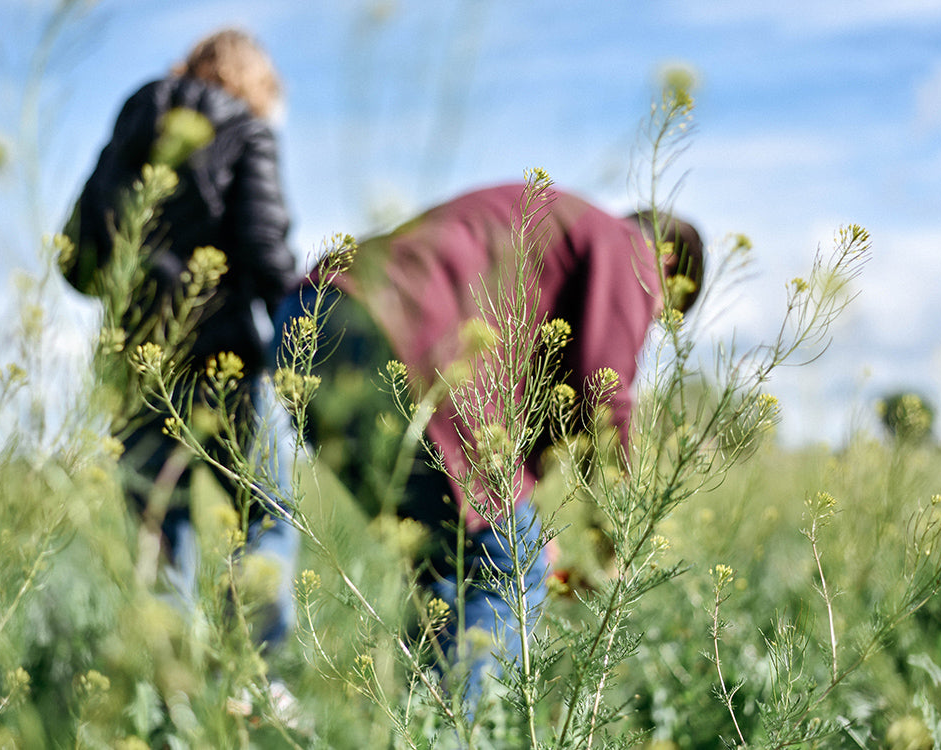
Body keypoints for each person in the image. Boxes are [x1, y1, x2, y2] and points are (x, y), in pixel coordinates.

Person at [273, 180, 704, 708]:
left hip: (306, 325)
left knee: (447, 569)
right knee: (510, 574)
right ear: (667, 263)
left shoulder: (566, 229)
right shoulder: (629, 248)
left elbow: (541, 399)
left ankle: (415, 726)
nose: (648, 326)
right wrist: (611, 542)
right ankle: (450, 733)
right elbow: (602, 394)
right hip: (398, 340)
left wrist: (521, 518)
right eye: (661, 312)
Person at [61, 29, 299, 650]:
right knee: (268, 515)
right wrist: (300, 328)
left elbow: (75, 263)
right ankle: (251, 676)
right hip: (222, 358)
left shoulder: (130, 127)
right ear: (256, 84)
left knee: (156, 526)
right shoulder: (247, 129)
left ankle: (168, 690)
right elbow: (266, 251)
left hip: (132, 364)